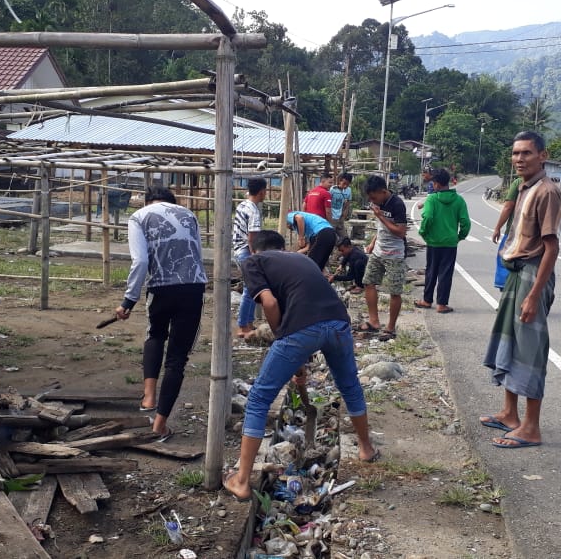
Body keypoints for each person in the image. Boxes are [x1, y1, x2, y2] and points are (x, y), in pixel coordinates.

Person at [223, 230, 379, 502]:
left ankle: (242, 480)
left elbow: (271, 304)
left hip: (302, 329)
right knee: (350, 386)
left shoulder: (253, 262)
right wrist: (297, 364)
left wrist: (281, 337)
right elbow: (304, 303)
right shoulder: (302, 261)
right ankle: (366, 448)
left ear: (253, 247)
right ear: (283, 247)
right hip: (338, 322)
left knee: (260, 398)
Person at [480, 131, 561, 449]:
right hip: (516, 274)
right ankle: (510, 414)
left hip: (532, 276)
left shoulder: (547, 191)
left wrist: (533, 295)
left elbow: (551, 248)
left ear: (542, 155)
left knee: (530, 349)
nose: (519, 159)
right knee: (510, 343)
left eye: (526, 153)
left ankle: (531, 427)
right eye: (515, 153)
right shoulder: (524, 188)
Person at [115, 186, 207, 441]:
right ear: (171, 201)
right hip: (192, 288)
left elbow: (141, 261)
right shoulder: (189, 215)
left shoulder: (140, 216)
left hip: (161, 288)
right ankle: (160, 425)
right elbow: (196, 253)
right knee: (177, 359)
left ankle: (148, 396)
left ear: (147, 201)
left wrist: (128, 300)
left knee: (155, 335)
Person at [360, 175, 408, 342]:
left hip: (395, 254)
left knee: (394, 291)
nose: (372, 200)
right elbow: (382, 227)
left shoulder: (397, 204)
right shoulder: (377, 203)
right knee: (368, 282)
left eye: (374, 197)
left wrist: (380, 216)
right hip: (379, 250)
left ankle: (390, 327)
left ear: (383, 191)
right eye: (370, 198)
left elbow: (401, 232)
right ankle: (374, 321)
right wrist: (373, 242)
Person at [416, 169, 470, 313]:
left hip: (433, 242)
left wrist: (423, 232)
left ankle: (427, 300)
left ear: (437, 184)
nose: (433, 185)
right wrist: (460, 236)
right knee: (445, 273)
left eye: (433, 182)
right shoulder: (459, 200)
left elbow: (427, 217)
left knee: (431, 271)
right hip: (450, 243)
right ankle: (441, 304)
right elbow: (465, 223)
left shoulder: (432, 199)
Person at [233, 178, 267, 338]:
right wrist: (255, 255)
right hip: (246, 250)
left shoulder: (243, 204)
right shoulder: (253, 210)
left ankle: (248, 323)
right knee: (250, 288)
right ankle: (242, 326)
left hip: (238, 249)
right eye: (265, 191)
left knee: (251, 287)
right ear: (261, 191)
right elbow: (252, 235)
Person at [492, 177, 523, 290]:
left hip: (514, 233)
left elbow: (508, 207)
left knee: (504, 261)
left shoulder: (519, 182)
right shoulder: (546, 185)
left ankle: (506, 296)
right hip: (535, 237)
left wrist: (497, 228)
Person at [329, 172, 353, 240]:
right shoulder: (332, 189)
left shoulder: (348, 190)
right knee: (331, 236)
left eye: (347, 184)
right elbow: (328, 204)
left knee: (345, 238)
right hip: (332, 218)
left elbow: (348, 203)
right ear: (339, 180)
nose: (345, 186)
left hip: (340, 218)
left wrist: (344, 214)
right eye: (344, 183)